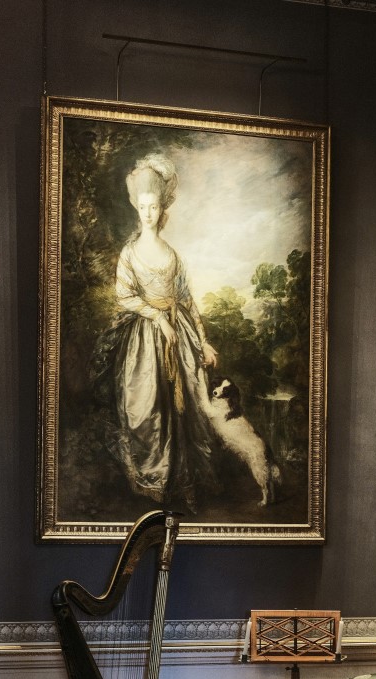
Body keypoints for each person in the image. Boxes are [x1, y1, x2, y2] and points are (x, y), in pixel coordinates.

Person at [90, 153, 219, 510]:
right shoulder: (130, 253)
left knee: (186, 408)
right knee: (147, 407)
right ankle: (155, 482)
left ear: (162, 209)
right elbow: (124, 296)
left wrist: (204, 341)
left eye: (153, 206)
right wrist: (157, 317)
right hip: (144, 341)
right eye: (143, 207)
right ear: (137, 209)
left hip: (178, 337)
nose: (148, 213)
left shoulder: (173, 255)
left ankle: (182, 484)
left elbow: (186, 299)